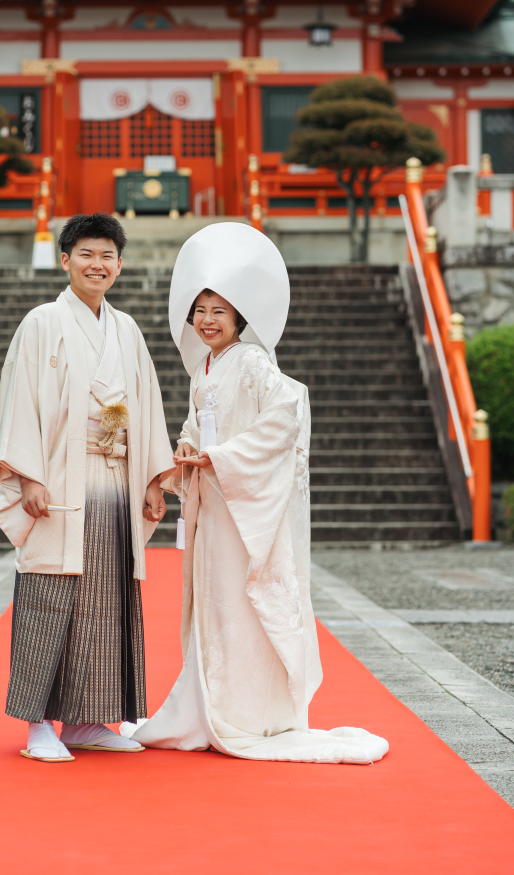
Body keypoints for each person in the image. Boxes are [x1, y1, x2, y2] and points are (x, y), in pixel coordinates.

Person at [125, 222, 388, 763]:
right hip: (213, 507)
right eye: (200, 311)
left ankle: (244, 713)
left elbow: (287, 412)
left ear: (239, 318)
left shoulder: (252, 361)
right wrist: (187, 449)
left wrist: (222, 458)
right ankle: (208, 704)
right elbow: (197, 426)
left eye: (219, 311)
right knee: (212, 605)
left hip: (242, 506)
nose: (207, 320)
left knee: (241, 603)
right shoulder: (203, 369)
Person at [0, 213, 175, 762]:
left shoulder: (127, 330)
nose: (98, 265)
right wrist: (29, 475)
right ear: (65, 259)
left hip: (115, 478)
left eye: (108, 256)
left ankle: (87, 720)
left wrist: (153, 478)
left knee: (106, 597)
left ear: (120, 264)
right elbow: (20, 399)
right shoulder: (42, 322)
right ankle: (37, 724)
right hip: (59, 476)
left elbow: (147, 405)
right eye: (87, 254)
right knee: (50, 596)